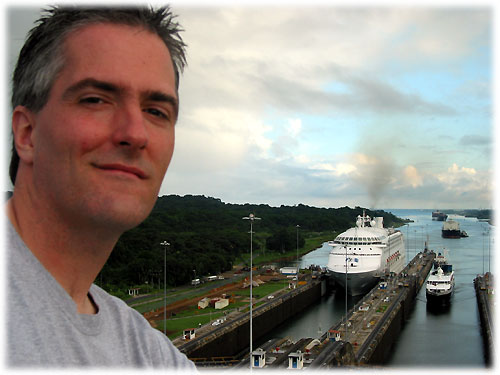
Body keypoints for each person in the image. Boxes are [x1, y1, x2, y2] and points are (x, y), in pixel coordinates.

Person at [6, 5, 196, 369]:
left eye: (156, 111)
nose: (134, 134)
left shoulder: (149, 353)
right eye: (95, 100)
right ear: (27, 134)